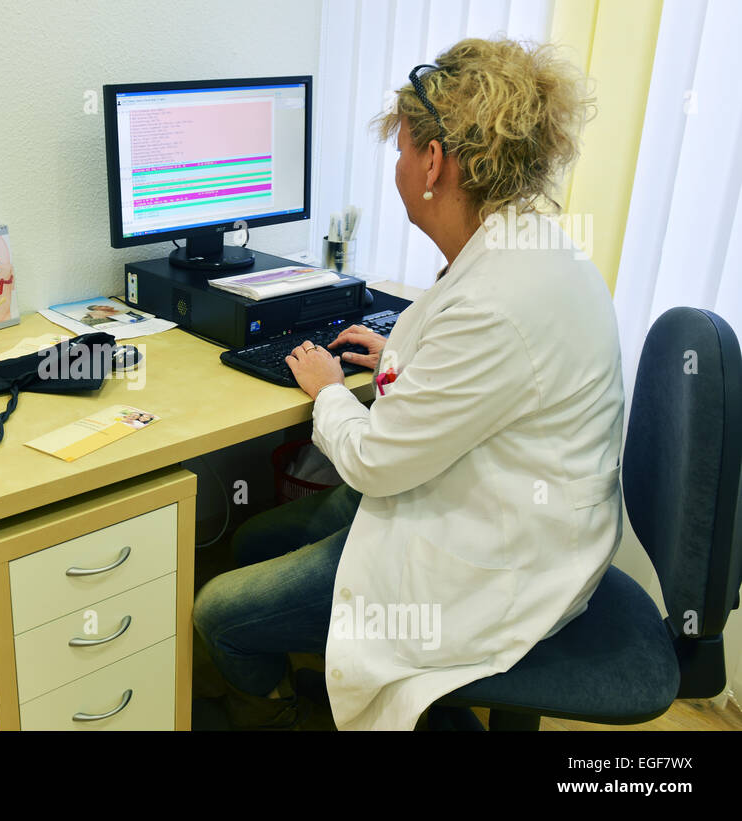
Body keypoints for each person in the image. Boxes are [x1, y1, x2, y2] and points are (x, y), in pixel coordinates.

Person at [193, 38, 620, 730]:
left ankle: (288, 717)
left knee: (217, 610)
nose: (396, 165)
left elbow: (372, 460)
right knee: (251, 540)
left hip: (492, 564)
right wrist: (401, 351)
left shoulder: (498, 300)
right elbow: (485, 375)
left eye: (400, 149)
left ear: (434, 163)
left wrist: (329, 388)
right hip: (505, 509)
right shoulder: (526, 251)